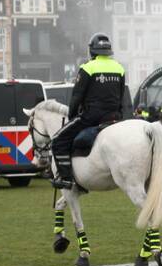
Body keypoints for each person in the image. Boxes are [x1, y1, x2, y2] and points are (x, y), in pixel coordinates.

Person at [50, 33, 127, 189]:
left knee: (58, 139)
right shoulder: (119, 68)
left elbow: (77, 97)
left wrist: (72, 116)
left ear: (92, 51)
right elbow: (121, 96)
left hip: (92, 117)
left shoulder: (87, 68)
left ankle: (66, 178)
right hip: (114, 116)